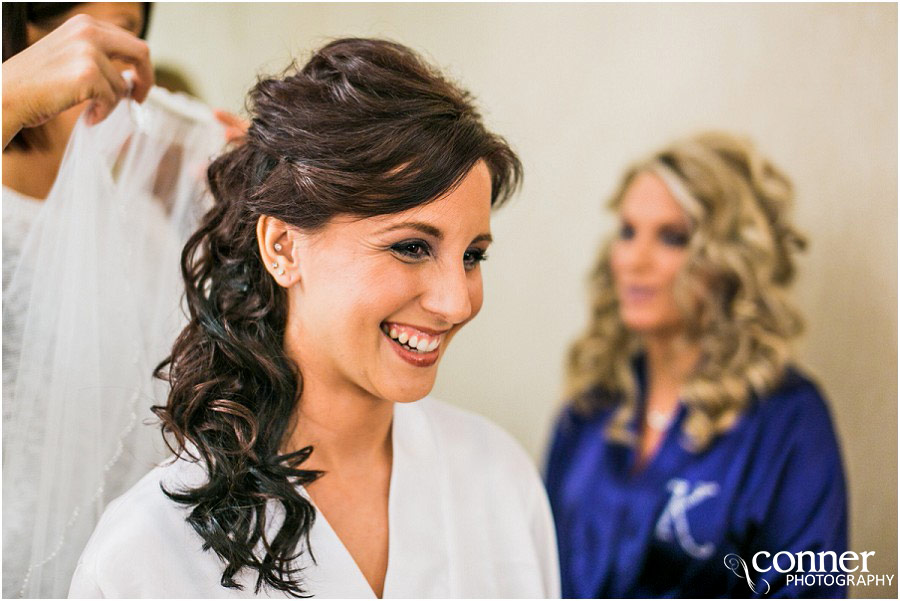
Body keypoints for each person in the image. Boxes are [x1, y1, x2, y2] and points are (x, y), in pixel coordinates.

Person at [68, 38, 560, 598]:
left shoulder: (500, 479)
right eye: (411, 247)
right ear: (283, 247)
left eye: (472, 256)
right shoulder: (150, 550)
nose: (457, 302)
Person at [545, 132, 847, 597]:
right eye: (627, 232)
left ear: (727, 260)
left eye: (672, 237)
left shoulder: (788, 420)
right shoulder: (591, 408)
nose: (634, 261)